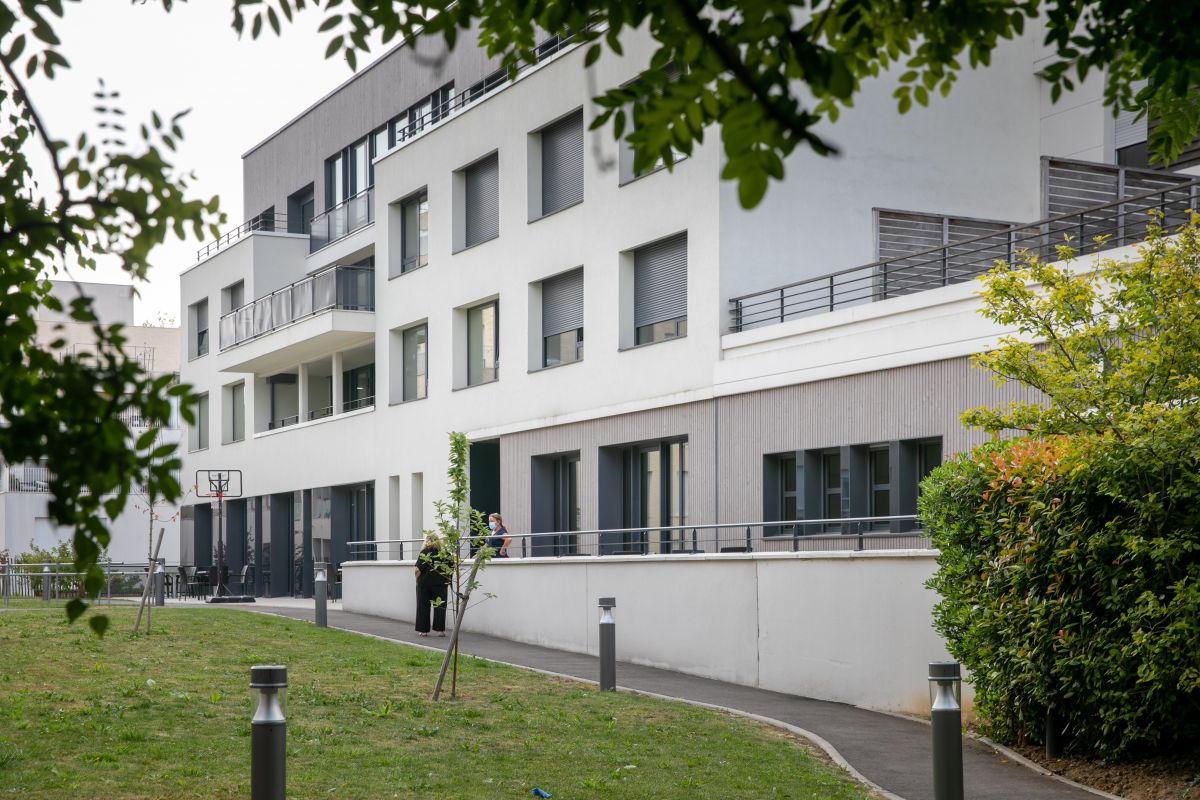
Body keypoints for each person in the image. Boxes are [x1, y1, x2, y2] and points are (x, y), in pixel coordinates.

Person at [414, 533, 449, 637]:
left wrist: (417, 580)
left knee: (423, 606)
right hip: (440, 584)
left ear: (428, 541)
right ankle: (440, 630)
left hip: (424, 584)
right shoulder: (444, 553)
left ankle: (423, 631)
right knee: (440, 606)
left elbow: (417, 570)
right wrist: (448, 580)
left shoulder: (424, 552)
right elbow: (451, 568)